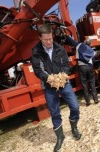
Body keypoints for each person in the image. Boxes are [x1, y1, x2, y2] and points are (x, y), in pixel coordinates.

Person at [31, 24, 81, 152]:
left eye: (50, 39)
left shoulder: (60, 48)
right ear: (40, 38)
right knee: (54, 112)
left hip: (64, 83)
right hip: (49, 86)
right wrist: (48, 78)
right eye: (45, 40)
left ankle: (74, 127)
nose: (49, 42)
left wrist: (62, 75)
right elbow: (37, 70)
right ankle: (60, 137)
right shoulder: (36, 51)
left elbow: (66, 64)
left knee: (75, 106)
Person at [66, 35, 100, 106]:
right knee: (92, 83)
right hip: (90, 67)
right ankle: (96, 99)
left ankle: (88, 102)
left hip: (82, 67)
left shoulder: (79, 45)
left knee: (84, 85)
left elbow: (72, 41)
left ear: (84, 42)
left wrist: (66, 35)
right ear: (89, 44)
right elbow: (94, 59)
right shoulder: (91, 51)